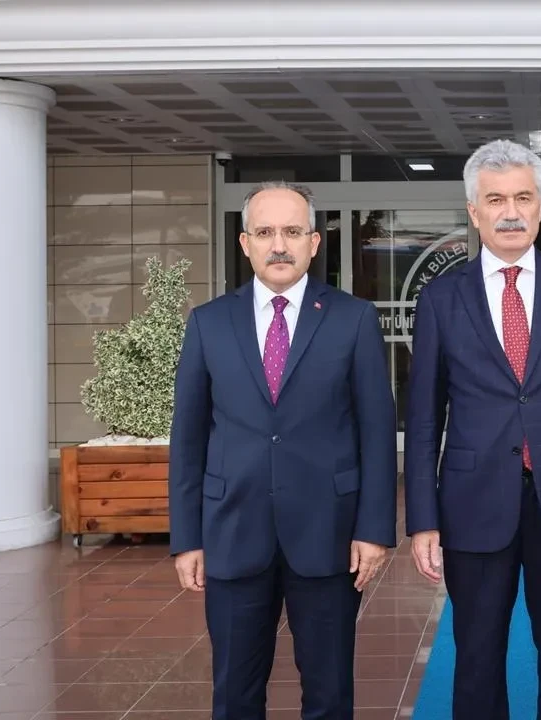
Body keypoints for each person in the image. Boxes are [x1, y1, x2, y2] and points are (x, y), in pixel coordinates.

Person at [403, 138, 541, 720]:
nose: (510, 212)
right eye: (496, 199)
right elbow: (423, 418)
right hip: (472, 504)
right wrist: (423, 518)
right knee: (476, 656)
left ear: (540, 208)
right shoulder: (441, 297)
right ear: (473, 212)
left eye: (523, 198)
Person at [168, 181, 397, 720]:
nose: (279, 245)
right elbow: (189, 438)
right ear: (244, 243)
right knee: (235, 695)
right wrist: (187, 538)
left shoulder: (353, 318)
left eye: (292, 232)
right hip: (232, 533)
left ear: (314, 243)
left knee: (329, 694)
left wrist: (373, 530)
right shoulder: (208, 323)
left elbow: (376, 431)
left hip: (329, 534)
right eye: (265, 232)